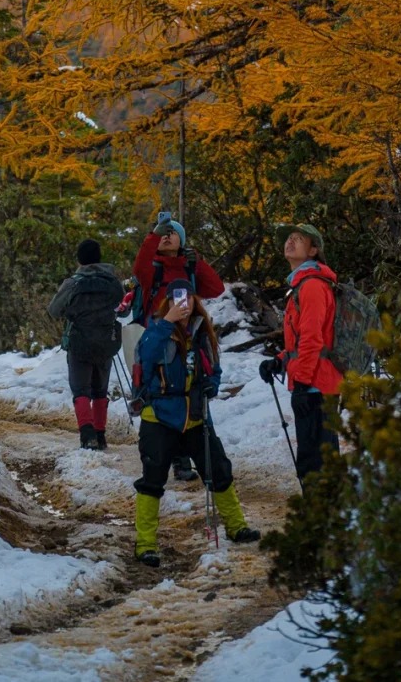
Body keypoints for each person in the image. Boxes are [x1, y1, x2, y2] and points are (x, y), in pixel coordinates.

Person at [132, 283, 259, 566]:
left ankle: (237, 526)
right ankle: (145, 544)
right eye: (176, 298)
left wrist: (211, 384)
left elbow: (214, 367)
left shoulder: (202, 331)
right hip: (159, 416)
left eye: (188, 297)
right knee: (152, 479)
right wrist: (167, 323)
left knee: (218, 468)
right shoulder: (156, 330)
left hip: (196, 414)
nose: (183, 303)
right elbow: (146, 356)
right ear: (167, 302)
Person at [129, 210, 224, 480]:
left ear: (182, 241)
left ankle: (198, 458)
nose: (167, 237)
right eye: (163, 233)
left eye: (173, 233)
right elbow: (139, 267)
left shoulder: (189, 267)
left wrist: (197, 263)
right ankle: (175, 459)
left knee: (191, 391)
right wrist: (153, 236)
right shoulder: (152, 269)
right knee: (164, 394)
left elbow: (216, 288)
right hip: (160, 339)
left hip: (190, 339)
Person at [259, 223, 342, 481]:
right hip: (315, 383)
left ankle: (322, 507)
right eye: (289, 238)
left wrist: (303, 382)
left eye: (299, 239)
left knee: (314, 463)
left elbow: (312, 339)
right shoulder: (302, 284)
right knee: (319, 459)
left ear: (313, 250)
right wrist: (279, 361)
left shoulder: (312, 285)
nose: (290, 242)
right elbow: (301, 341)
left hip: (316, 386)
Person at [48, 238, 124, 450]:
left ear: (79, 259)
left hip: (79, 343)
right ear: (99, 258)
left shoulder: (72, 284)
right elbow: (121, 306)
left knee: (81, 390)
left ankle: (88, 435)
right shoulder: (113, 283)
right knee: (100, 391)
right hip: (106, 343)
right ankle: (100, 435)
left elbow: (54, 310)